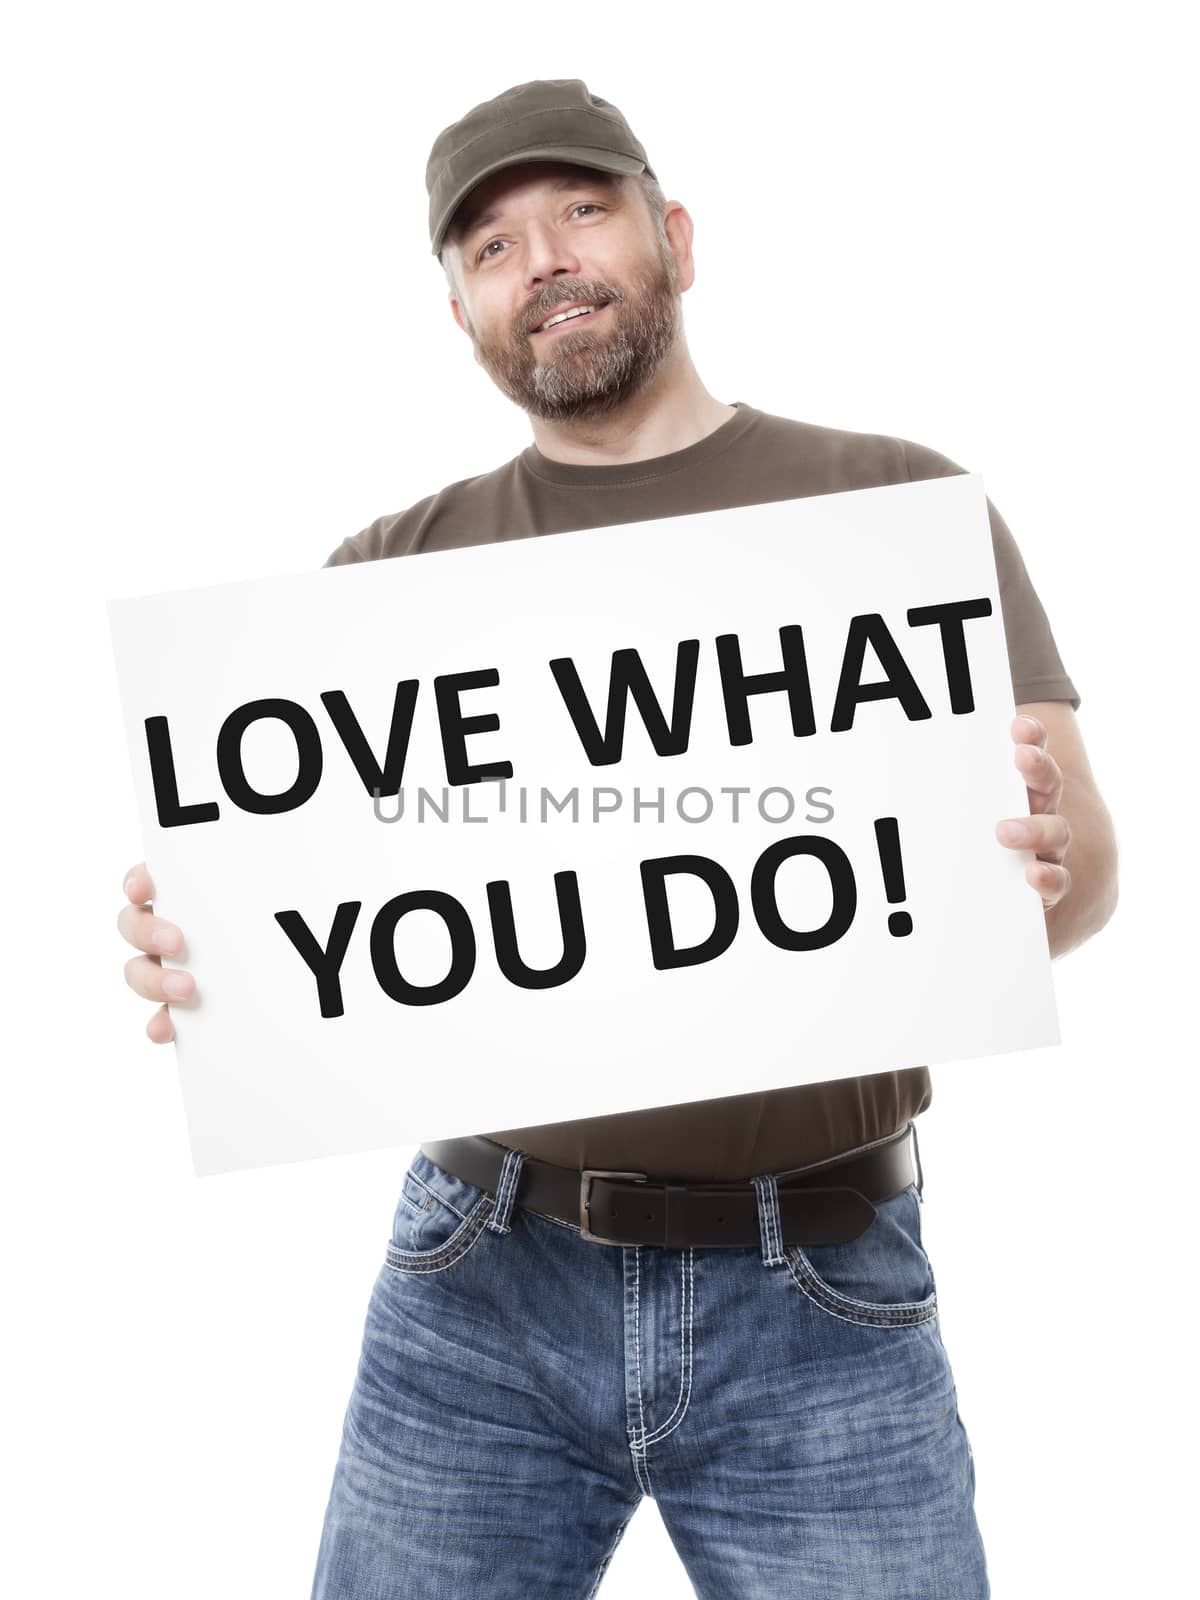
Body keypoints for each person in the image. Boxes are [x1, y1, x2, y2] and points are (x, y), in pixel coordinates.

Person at [116, 80, 1118, 1598]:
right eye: (495, 245)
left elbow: (1080, 876)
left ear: (676, 238)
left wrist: (1043, 863)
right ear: (460, 309)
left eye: (582, 211)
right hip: (480, 1283)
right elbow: (302, 926)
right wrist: (207, 948)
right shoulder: (387, 577)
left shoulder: (893, 511)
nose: (548, 262)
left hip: (824, 1289)